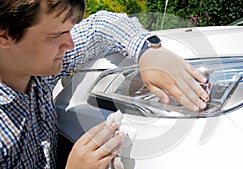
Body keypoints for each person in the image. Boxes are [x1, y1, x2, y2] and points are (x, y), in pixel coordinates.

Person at [0, 0, 209, 168]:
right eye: (56, 35)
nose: (69, 44)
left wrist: (149, 51)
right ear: (5, 35)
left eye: (69, 31)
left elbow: (99, 25)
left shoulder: (37, 71)